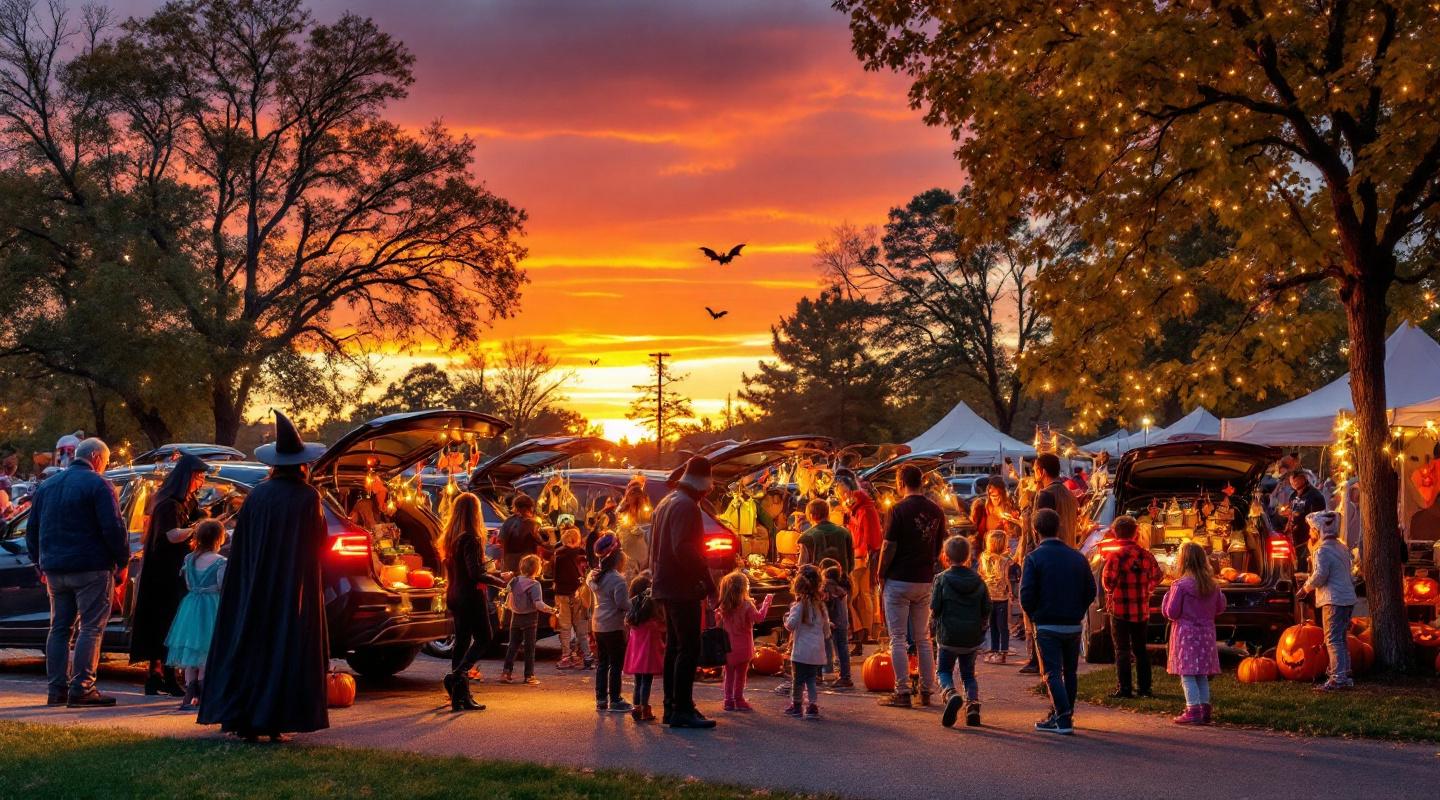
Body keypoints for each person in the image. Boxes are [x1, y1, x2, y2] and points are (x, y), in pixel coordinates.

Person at [200, 411, 329, 742]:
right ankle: (275, 720)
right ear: (302, 464)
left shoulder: (258, 495)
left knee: (254, 645)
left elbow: (242, 543)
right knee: (284, 648)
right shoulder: (307, 497)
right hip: (289, 588)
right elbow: (319, 541)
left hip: (254, 589)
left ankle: (246, 719)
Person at [25, 437, 127, 708]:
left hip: (55, 568)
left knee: (59, 628)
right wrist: (122, 560)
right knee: (91, 627)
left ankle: (56, 689)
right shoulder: (98, 484)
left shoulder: (47, 486)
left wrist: (39, 563)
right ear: (96, 457)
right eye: (105, 461)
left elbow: (32, 530)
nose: (105, 466)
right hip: (91, 566)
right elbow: (113, 528)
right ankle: (82, 688)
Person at [130, 453, 210, 697]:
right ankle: (164, 675)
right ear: (189, 477)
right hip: (163, 572)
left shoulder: (185, 501)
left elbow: (198, 515)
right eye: (199, 477)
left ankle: (157, 675)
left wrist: (205, 516)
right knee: (165, 620)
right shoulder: (169, 504)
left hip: (174, 569)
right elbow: (172, 535)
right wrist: (196, 529)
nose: (202, 482)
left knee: (166, 621)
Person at [649, 456, 719, 729]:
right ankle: (682, 709)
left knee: (675, 649)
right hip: (682, 587)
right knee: (688, 648)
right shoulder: (687, 507)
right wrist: (708, 581)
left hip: (664, 584)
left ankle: (672, 707)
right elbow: (684, 548)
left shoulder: (666, 502)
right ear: (702, 486)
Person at [1019, 508, 1097, 735]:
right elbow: (1090, 590)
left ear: (1035, 531)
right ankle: (1063, 712)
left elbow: (1026, 595)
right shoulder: (1077, 557)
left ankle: (1062, 716)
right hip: (1072, 622)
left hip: (1046, 623)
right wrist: (1078, 609)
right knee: (1070, 671)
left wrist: (1035, 615)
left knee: (1052, 672)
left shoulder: (1033, 558)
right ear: (1058, 528)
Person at [876, 464, 946, 709]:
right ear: (921, 482)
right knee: (923, 638)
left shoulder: (897, 510)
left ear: (900, 482)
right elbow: (939, 546)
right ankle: (927, 690)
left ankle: (902, 691)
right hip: (924, 579)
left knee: (897, 637)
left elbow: (889, 546)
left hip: (899, 578)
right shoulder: (936, 511)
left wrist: (881, 573)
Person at [442, 492, 509, 712]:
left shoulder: (451, 537)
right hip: (470, 595)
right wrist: (499, 580)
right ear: (475, 513)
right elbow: (474, 573)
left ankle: (460, 696)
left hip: (454, 593)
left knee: (461, 642)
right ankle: (458, 676)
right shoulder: (471, 537)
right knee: (484, 637)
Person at [164, 519, 227, 712]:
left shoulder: (188, 559)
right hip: (211, 605)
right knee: (207, 649)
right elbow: (222, 584)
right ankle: (202, 690)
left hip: (190, 605)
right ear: (219, 538)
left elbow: (189, 584)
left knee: (191, 648)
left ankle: (189, 691)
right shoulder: (221, 562)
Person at [1161, 542, 1225, 725]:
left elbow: (1172, 612)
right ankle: (1205, 708)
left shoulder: (1180, 585)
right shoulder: (1213, 585)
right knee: (1202, 673)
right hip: (1206, 633)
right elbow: (1220, 607)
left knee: (1187, 674)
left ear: (1182, 561)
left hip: (1185, 634)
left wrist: (1166, 599)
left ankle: (1193, 709)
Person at [1101, 515, 1163, 698]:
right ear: (1136, 533)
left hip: (1120, 610)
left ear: (1115, 533)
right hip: (1141, 610)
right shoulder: (1146, 555)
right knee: (1141, 649)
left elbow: (1108, 582)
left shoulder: (1115, 556)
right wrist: (1147, 588)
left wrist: (1113, 590)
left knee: (1122, 650)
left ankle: (1125, 688)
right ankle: (1145, 688)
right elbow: (1158, 576)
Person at [932, 535, 990, 728]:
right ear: (968, 557)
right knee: (968, 674)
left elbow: (935, 607)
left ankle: (950, 693)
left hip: (948, 635)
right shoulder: (979, 581)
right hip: (971, 638)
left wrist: (932, 625)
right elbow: (986, 608)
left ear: (946, 557)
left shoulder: (941, 580)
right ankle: (972, 705)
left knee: (943, 671)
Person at [1298, 510, 1357, 692]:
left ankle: (1337, 678)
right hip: (1347, 598)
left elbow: (1320, 575)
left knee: (1332, 639)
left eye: (1312, 530)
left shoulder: (1322, 550)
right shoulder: (1341, 547)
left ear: (1318, 530)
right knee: (1340, 638)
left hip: (1333, 599)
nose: (1310, 534)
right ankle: (1344, 673)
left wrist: (1305, 588)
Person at [715, 570, 774, 711]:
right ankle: (739, 699)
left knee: (728, 675)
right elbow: (759, 618)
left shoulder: (724, 606)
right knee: (741, 675)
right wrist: (766, 603)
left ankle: (728, 700)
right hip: (744, 647)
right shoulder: (747, 605)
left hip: (728, 647)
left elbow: (718, 623)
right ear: (744, 588)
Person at [588, 535, 632, 712]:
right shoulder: (617, 580)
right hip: (613, 625)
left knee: (602, 663)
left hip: (598, 624)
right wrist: (635, 601)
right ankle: (615, 699)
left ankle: (600, 699)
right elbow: (622, 604)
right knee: (615, 664)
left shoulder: (593, 576)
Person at [841, 473, 882, 653]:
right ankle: (867, 631)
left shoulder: (862, 510)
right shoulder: (862, 508)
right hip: (864, 555)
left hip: (860, 557)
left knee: (850, 596)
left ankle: (859, 632)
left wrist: (859, 553)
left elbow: (866, 536)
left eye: (842, 491)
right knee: (864, 595)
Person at [501, 554, 556, 685]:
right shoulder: (535, 584)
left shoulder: (515, 581)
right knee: (529, 648)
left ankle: (506, 673)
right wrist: (552, 610)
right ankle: (529, 675)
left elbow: (507, 593)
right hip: (530, 618)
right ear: (536, 568)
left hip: (515, 616)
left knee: (513, 645)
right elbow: (538, 604)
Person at [783, 564, 829, 719]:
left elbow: (791, 625)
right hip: (817, 651)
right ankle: (812, 705)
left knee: (798, 680)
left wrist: (785, 619)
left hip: (801, 651)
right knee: (810, 680)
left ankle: (796, 705)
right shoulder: (821, 606)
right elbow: (826, 630)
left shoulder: (799, 605)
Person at [623, 571, 665, 722]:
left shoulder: (633, 621)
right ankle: (644, 708)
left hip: (636, 658)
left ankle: (636, 707)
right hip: (648, 657)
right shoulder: (653, 623)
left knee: (638, 682)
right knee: (646, 682)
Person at [552, 526, 594, 670]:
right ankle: (587, 656)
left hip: (562, 594)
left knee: (565, 627)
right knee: (581, 627)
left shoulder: (558, 554)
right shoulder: (582, 554)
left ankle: (566, 656)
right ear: (577, 540)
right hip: (579, 593)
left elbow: (555, 576)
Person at [977, 531, 1014, 664]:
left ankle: (995, 650)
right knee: (1002, 626)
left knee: (992, 625)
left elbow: (980, 574)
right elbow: (1009, 578)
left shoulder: (984, 557)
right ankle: (1002, 651)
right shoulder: (1007, 560)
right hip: (1002, 597)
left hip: (988, 596)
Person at [1281, 469, 1327, 565]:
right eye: (1291, 481)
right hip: (1294, 537)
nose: (1293, 483)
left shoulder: (1315, 496)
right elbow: (1290, 512)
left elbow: (1318, 517)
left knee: (1306, 563)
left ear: (1304, 479)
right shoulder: (1293, 495)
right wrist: (1287, 523)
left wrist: (1295, 514)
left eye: (1296, 480)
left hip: (1308, 536)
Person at [1031, 454, 1078, 548]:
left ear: (1042, 472)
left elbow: (1040, 531)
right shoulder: (1070, 494)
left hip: (1051, 554)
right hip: (1069, 551)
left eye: (1035, 470)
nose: (1034, 474)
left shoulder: (1045, 494)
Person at [819, 558, 852, 687]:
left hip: (834, 622)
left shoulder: (828, 587)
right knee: (843, 648)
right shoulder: (843, 589)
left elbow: (824, 604)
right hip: (843, 622)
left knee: (826, 646)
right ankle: (846, 676)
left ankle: (826, 673)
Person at [798, 498, 854, 573]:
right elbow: (851, 565)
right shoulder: (845, 532)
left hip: (817, 583)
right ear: (828, 513)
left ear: (811, 516)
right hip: (842, 582)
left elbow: (802, 568)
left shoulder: (806, 537)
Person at [498, 494, 545, 574]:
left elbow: (501, 541)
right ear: (530, 508)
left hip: (508, 563)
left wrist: (504, 561)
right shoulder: (533, 524)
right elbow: (541, 543)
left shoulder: (508, 521)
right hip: (526, 565)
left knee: (510, 585)